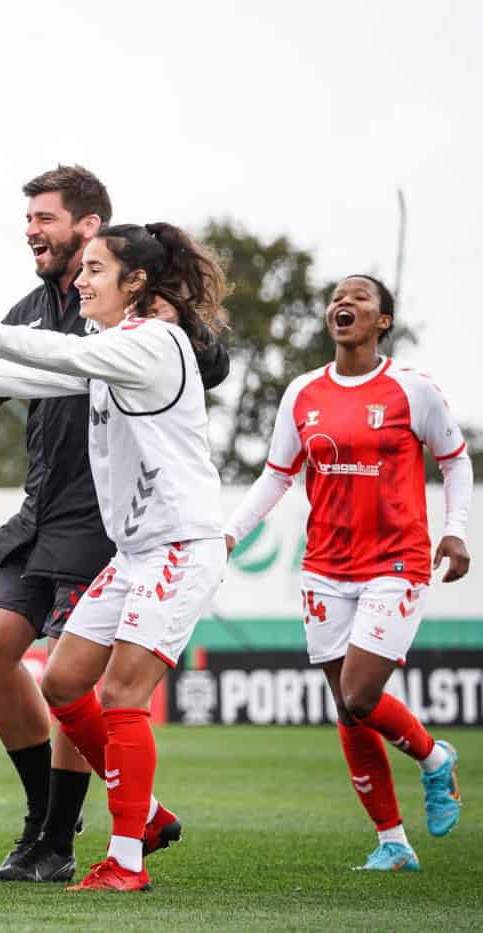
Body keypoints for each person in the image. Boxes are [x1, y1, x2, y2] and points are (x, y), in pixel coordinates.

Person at [0, 165, 228, 883]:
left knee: (118, 695)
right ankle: (141, 810)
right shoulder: (114, 345)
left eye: (95, 271)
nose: (81, 283)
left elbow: (66, 355)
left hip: (177, 546)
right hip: (137, 551)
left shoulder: (147, 341)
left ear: (136, 283)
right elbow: (37, 376)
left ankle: (126, 857)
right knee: (62, 681)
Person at [224, 274, 470, 871]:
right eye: (337, 296)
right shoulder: (303, 392)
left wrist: (456, 529)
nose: (344, 302)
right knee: (347, 708)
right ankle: (393, 841)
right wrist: (230, 533)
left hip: (396, 563)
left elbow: (455, 461)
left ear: (382, 320)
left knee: (361, 694)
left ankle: (435, 758)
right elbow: (277, 475)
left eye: (360, 297)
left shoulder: (414, 390)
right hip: (325, 568)